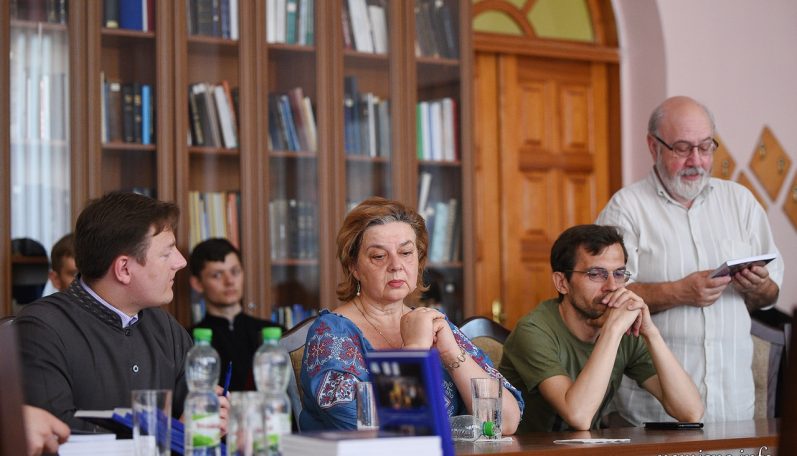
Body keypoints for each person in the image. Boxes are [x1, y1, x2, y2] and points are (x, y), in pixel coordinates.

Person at [596, 96, 784, 424]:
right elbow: (604, 298)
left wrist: (759, 287)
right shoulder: (625, 209)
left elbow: (771, 295)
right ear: (653, 146)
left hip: (733, 409)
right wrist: (679, 292)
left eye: (706, 147)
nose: (696, 160)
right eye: (682, 148)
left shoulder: (741, 203)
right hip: (653, 414)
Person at [299, 197, 523, 431]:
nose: (396, 265)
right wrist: (416, 348)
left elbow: (504, 422)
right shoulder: (330, 334)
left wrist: (451, 353)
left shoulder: (431, 321)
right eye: (379, 256)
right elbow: (368, 425)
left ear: (419, 260)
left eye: (406, 252)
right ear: (354, 267)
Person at [16, 191, 228, 432]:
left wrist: (213, 414)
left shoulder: (165, 327)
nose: (181, 262)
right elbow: (56, 435)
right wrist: (171, 434)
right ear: (124, 269)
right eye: (167, 253)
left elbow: (197, 410)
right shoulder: (41, 329)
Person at [499, 225, 703, 432]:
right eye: (596, 274)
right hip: (530, 449)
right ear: (562, 283)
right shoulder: (533, 331)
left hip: (591, 447)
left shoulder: (625, 330)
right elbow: (578, 416)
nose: (612, 286)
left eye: (619, 273)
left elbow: (690, 412)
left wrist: (651, 333)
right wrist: (612, 331)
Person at [189, 237, 282, 391]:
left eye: (235, 271)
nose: (230, 281)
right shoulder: (190, 341)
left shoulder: (275, 334)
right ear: (198, 284)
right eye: (217, 275)